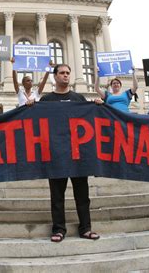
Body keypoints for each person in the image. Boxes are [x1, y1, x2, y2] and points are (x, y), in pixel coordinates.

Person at [39, 64, 100, 242]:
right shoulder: (46, 100)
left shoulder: (78, 97)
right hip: (56, 155)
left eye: (68, 73)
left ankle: (86, 228)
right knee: (57, 195)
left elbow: (88, 119)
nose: (66, 76)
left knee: (82, 195)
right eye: (62, 73)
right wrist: (29, 106)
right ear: (55, 76)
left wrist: (98, 107)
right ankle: (58, 229)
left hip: (77, 155)